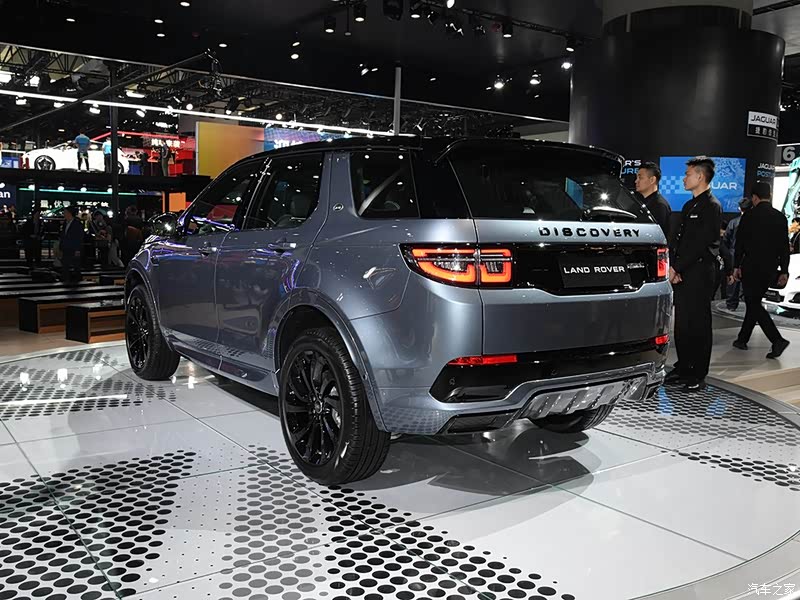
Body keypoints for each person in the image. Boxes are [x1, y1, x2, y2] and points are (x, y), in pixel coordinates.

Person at [666, 156, 722, 392]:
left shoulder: (712, 206)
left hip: (700, 273)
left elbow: (701, 244)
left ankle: (698, 373)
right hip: (683, 272)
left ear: (700, 176)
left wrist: (677, 268)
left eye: (688, 174)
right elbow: (680, 242)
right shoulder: (690, 206)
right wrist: (675, 267)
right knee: (682, 324)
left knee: (699, 324)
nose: (684, 178)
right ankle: (683, 367)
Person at [732, 182, 791, 359]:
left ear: (754, 197)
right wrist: (784, 270)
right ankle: (742, 339)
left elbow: (739, 244)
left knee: (753, 303)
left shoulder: (748, 216)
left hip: (751, 266)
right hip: (770, 267)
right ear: (770, 195)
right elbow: (784, 248)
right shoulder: (780, 217)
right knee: (754, 301)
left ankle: (777, 340)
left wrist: (736, 266)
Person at [721, 198, 751, 310]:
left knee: (733, 280)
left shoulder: (734, 222)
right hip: (749, 255)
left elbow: (725, 240)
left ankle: (731, 304)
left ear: (739, 208)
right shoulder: (755, 223)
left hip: (733, 254)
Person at [635, 161, 672, 239]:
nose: (636, 181)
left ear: (652, 180)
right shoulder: (637, 202)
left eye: (640, 178)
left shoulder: (660, 205)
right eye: (637, 178)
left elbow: (657, 237)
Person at [60, 206, 84, 285]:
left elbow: (79, 237)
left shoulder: (77, 224)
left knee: (76, 266)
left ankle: (76, 281)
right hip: (66, 247)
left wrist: (77, 249)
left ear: (70, 213)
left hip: (73, 248)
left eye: (65, 212)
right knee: (65, 265)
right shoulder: (65, 223)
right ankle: (66, 280)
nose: (64, 214)